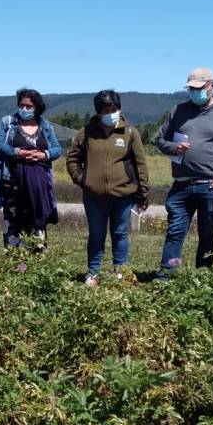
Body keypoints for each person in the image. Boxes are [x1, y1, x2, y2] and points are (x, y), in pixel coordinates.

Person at [154, 67, 213, 280]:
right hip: (182, 183)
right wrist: (174, 148)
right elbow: (160, 139)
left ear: (212, 86)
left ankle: (203, 278)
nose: (194, 92)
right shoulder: (178, 111)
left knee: (208, 233)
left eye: (199, 88)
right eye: (191, 89)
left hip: (210, 184)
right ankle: (167, 275)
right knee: (175, 232)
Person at [66, 90, 149, 286]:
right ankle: (93, 273)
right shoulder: (85, 132)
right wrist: (82, 179)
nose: (109, 114)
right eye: (104, 110)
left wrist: (143, 193)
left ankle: (120, 271)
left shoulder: (130, 132)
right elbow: (72, 159)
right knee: (96, 234)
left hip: (123, 195)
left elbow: (141, 164)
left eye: (113, 109)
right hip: (94, 196)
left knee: (120, 234)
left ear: (119, 109)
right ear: (97, 112)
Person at [0, 88, 61, 249]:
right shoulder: (7, 123)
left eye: (29, 106)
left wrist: (44, 155)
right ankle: (14, 259)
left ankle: (37, 257)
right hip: (12, 181)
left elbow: (57, 149)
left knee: (38, 217)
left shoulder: (46, 126)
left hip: (39, 183)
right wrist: (18, 153)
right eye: (22, 105)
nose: (25, 109)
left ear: (37, 107)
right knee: (13, 220)